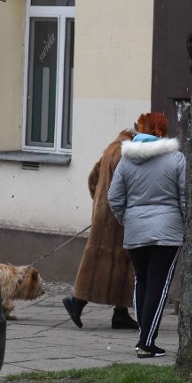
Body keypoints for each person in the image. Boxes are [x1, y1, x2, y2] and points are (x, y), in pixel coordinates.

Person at [108, 112, 186, 359]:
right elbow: (185, 197)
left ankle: (145, 336)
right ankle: (146, 342)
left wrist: (127, 219)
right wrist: (183, 224)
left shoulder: (126, 160)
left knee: (141, 281)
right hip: (168, 232)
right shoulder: (176, 159)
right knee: (159, 287)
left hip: (136, 229)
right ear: (161, 132)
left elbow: (114, 198)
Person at [62, 129, 139, 330]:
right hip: (117, 218)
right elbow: (127, 185)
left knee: (104, 262)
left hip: (103, 216)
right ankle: (77, 302)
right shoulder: (125, 153)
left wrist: (98, 202)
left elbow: (92, 178)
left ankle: (119, 313)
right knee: (110, 264)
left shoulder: (110, 148)